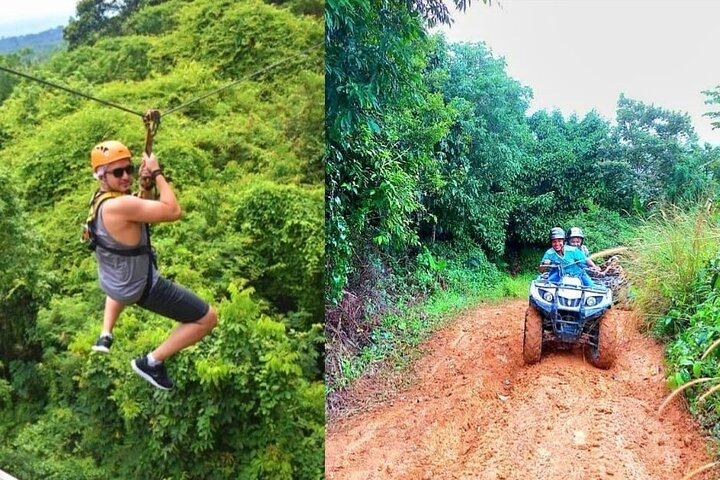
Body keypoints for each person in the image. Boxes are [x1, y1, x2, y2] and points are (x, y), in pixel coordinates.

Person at [85, 140, 217, 390]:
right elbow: (173, 211)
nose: (126, 176)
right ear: (101, 175)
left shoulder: (101, 200)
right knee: (207, 318)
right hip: (141, 286)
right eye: (118, 172)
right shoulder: (120, 205)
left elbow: (137, 214)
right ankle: (151, 362)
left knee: (119, 279)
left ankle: (106, 333)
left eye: (129, 169)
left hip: (113, 281)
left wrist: (143, 187)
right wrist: (156, 173)